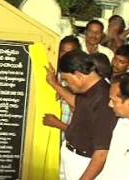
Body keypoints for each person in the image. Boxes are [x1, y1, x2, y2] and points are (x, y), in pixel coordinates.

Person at [46, 50, 117, 179]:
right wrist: (54, 84)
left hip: (83, 163)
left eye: (67, 80)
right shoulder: (90, 89)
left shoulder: (105, 101)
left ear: (78, 75)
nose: (67, 84)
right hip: (71, 155)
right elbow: (77, 103)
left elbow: (101, 153)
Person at [43, 35, 81, 132]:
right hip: (47, 132)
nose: (66, 56)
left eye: (70, 52)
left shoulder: (81, 79)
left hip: (69, 134)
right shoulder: (52, 74)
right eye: (63, 51)